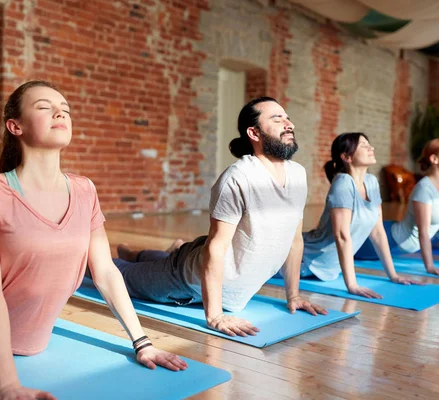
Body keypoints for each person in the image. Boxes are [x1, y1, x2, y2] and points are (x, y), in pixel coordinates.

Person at [0, 81, 187, 400]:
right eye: (44, 107)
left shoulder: (84, 190)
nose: (59, 112)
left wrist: (142, 343)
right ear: (15, 126)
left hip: (30, 340)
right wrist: (8, 385)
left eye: (65, 108)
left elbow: (105, 272)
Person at [113, 97, 327, 338]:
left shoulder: (298, 175)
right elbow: (215, 249)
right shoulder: (238, 178)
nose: (289, 124)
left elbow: (295, 239)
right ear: (254, 133)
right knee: (119, 275)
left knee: (173, 256)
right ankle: (109, 259)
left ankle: (136, 253)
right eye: (277, 119)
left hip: (204, 257)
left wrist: (294, 295)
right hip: (188, 280)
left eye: (287, 118)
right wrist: (215, 315)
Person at [300, 133, 421, 300]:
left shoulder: (371, 181)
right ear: (347, 157)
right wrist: (352, 285)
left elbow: (378, 233)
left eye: (368, 144)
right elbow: (342, 236)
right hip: (305, 259)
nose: (370, 148)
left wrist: (393, 275)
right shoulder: (343, 183)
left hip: (326, 268)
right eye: (363, 145)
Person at [368, 139, 439, 276]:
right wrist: (430, 267)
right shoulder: (424, 189)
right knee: (342, 249)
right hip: (390, 241)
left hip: (399, 245)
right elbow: (423, 233)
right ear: (434, 159)